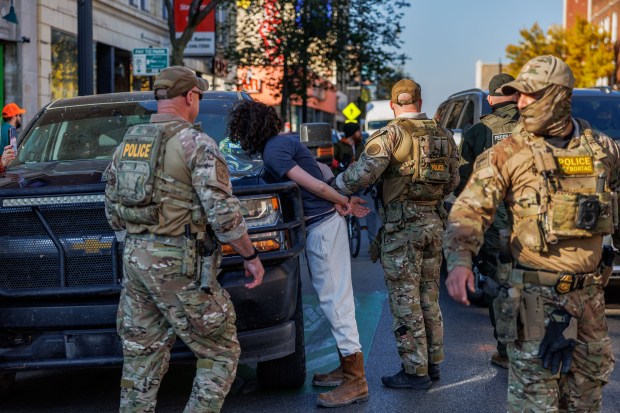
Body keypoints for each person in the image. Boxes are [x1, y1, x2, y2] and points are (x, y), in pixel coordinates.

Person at [444, 55, 617, 412]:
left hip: (589, 301)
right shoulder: (507, 153)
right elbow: (470, 209)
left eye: (529, 95)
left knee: (586, 403)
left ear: (559, 96)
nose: (520, 103)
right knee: (535, 405)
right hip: (534, 299)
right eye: (517, 95)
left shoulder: (602, 150)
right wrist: (460, 261)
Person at [104, 66, 265, 413]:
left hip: (135, 263)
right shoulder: (196, 144)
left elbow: (113, 209)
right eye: (200, 96)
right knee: (220, 351)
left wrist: (139, 242)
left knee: (140, 359)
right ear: (190, 97)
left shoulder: (128, 143)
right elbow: (223, 213)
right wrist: (250, 256)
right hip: (180, 264)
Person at [227, 100, 371, 408]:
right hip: (323, 224)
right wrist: (339, 198)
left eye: (239, 130)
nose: (237, 137)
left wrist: (340, 201)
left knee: (335, 300)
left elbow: (313, 184)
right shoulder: (284, 141)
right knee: (334, 297)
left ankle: (356, 381)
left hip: (321, 226)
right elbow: (317, 168)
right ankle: (346, 368)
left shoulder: (273, 151)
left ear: (249, 128)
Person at [332, 79, 460, 389]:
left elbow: (363, 174)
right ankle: (433, 363)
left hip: (403, 227)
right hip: (434, 222)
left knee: (405, 299)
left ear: (393, 104)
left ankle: (415, 371)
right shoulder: (443, 134)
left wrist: (334, 188)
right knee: (429, 295)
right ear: (419, 101)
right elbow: (454, 180)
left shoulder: (391, 134)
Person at [454, 73, 520, 370]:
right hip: (537, 223)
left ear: (492, 98)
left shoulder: (479, 130)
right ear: (517, 96)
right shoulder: (538, 127)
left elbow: (461, 180)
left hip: (496, 225)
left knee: (500, 282)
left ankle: (506, 350)